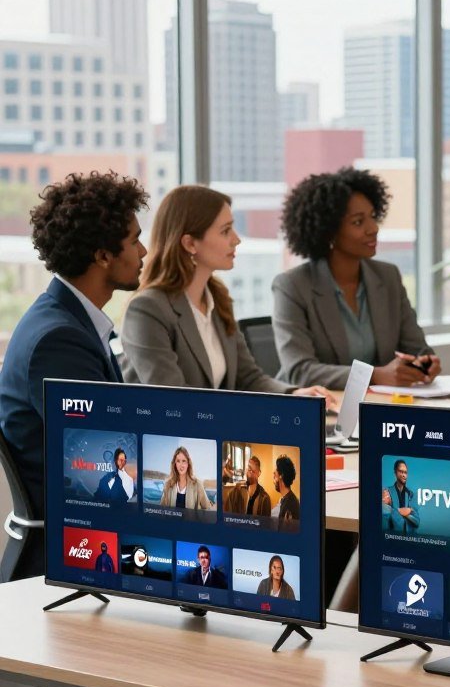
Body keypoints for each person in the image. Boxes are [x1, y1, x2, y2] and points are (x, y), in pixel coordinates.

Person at [0, 171, 148, 580]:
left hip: (86, 537)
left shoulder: (69, 321)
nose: (144, 250)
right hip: (68, 556)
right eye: (134, 240)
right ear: (103, 256)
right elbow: (108, 459)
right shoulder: (58, 339)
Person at [120, 185, 331, 401]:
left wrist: (294, 394)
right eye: (225, 231)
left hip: (214, 430)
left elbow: (248, 379)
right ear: (190, 243)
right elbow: (174, 402)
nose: (236, 239)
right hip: (172, 433)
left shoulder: (217, 299)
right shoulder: (148, 309)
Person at [273, 168, 440, 390]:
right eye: (358, 222)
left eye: (372, 217)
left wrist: (424, 362)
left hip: (377, 407)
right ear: (329, 231)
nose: (373, 228)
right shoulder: (293, 286)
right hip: (319, 410)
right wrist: (374, 375)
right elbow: (299, 370)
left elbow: (416, 348)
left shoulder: (388, 277)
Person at [160, 446, 213, 512]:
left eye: (184, 461)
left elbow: (207, 509)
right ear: (175, 464)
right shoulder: (167, 485)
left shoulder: (197, 484)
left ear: (188, 463)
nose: (181, 465)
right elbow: (161, 510)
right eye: (178, 461)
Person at [381, 459, 420, 534]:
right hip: (392, 537)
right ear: (395, 472)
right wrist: (403, 511)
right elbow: (385, 515)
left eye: (405, 472)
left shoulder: (411, 494)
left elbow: (417, 521)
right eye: (401, 471)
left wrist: (406, 514)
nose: (403, 475)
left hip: (410, 539)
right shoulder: (387, 492)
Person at [273, 455, 300, 532]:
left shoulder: (290, 504)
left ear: (281, 475)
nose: (273, 480)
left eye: (274, 475)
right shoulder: (286, 499)